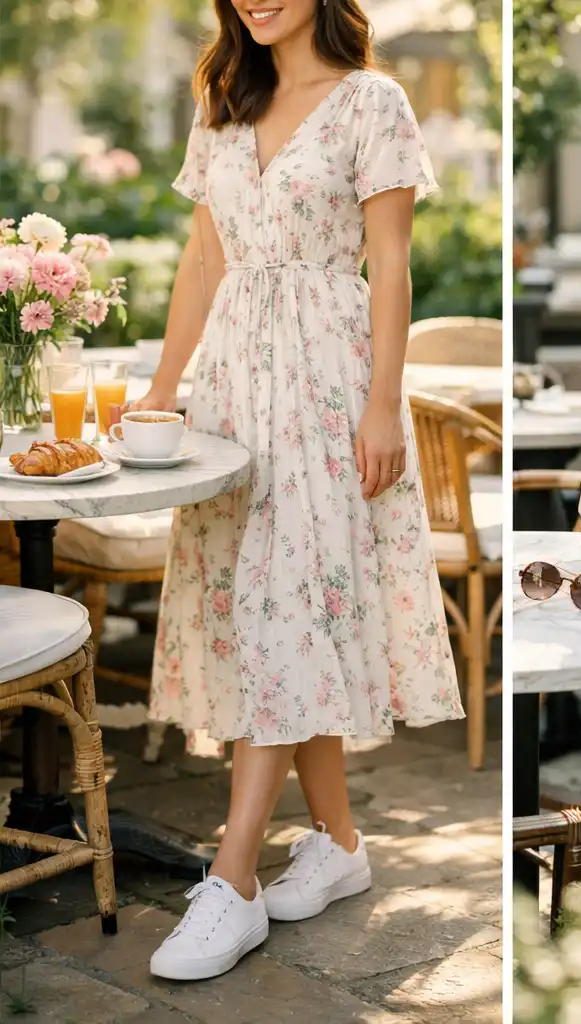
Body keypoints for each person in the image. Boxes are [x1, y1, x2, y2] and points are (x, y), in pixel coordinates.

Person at [136, 0, 462, 982]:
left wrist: (383, 406)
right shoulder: (222, 99)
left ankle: (233, 877)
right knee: (278, 611)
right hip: (233, 388)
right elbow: (205, 258)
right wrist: (161, 389)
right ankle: (339, 843)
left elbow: (391, 265)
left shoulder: (372, 102)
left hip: (329, 384)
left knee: (288, 602)